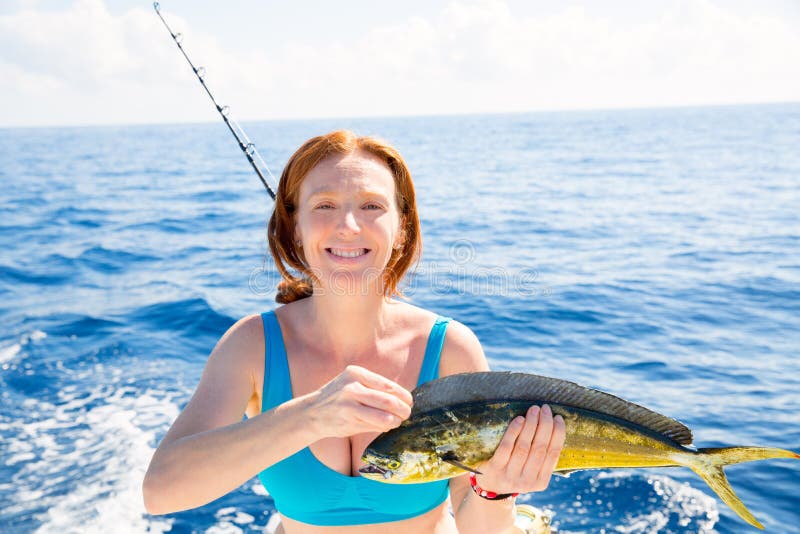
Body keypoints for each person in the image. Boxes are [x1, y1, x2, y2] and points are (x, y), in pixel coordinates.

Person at [142, 130, 566, 533]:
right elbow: (161, 492)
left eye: (372, 206)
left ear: (401, 228)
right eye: (324, 206)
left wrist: (496, 491)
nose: (347, 224)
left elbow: (476, 522)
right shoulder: (250, 346)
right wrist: (308, 417)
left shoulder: (451, 347)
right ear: (295, 228)